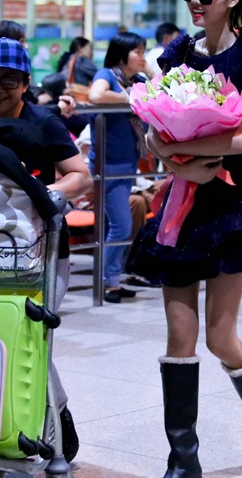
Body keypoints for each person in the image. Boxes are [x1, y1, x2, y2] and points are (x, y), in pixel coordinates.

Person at [126, 0, 242, 478]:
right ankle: (183, 458)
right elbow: (153, 127)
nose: (194, 2)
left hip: (230, 206)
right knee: (179, 338)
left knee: (221, 338)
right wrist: (172, 155)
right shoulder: (178, 52)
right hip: (181, 204)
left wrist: (185, 154)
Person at [0, 37, 92, 464]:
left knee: (30, 336)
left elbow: (80, 175)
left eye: (8, 80)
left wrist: (42, 193)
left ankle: (56, 413)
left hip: (43, 249)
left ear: (25, 83)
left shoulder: (44, 123)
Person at [88, 32, 148, 304]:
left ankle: (112, 280)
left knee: (118, 226)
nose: (142, 57)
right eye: (138, 52)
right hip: (108, 165)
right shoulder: (107, 75)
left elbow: (160, 95)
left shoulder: (138, 81)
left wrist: (146, 74)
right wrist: (130, 98)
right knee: (121, 226)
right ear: (122, 54)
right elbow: (96, 95)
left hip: (128, 162)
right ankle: (107, 282)